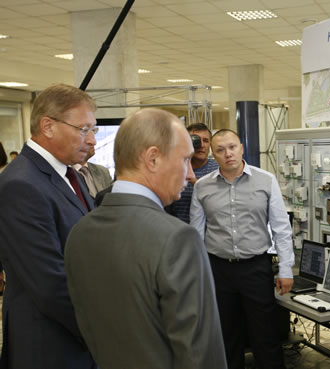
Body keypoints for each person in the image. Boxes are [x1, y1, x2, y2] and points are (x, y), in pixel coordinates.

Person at [65, 108, 227, 369]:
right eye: (184, 160)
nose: (189, 174)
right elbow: (199, 353)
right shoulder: (178, 239)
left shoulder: (80, 232)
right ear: (153, 159)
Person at [0, 83, 97, 369]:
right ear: (48, 126)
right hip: (49, 343)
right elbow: (49, 282)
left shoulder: (69, 174)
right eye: (84, 129)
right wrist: (102, 331)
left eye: (94, 129)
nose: (92, 140)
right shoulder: (22, 184)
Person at [190, 129, 294, 369]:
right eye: (220, 150)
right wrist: (198, 273)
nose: (228, 154)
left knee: (265, 335)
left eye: (232, 147)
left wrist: (286, 269)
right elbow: (195, 234)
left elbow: (281, 228)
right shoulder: (202, 187)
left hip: (256, 268)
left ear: (241, 147)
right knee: (226, 337)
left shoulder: (265, 180)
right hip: (218, 270)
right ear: (213, 154)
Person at [166, 123, 219, 223]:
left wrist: (195, 182)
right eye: (196, 140)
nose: (201, 145)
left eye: (206, 141)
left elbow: (221, 202)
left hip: (211, 234)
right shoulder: (176, 169)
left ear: (210, 144)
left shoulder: (218, 169)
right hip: (180, 231)